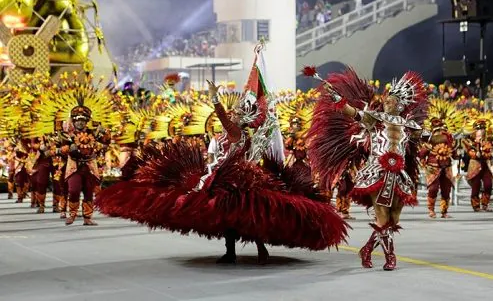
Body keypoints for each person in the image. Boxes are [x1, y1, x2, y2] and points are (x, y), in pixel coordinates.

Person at [97, 56, 348, 265]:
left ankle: (259, 248)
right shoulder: (230, 133)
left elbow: (228, 122)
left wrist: (215, 99)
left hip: (241, 180)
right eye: (234, 111)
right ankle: (232, 252)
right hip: (224, 176)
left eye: (238, 112)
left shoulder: (236, 131)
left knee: (250, 215)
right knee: (231, 219)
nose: (233, 113)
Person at [306, 67, 428, 271]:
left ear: (400, 104)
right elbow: (353, 114)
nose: (386, 101)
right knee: (382, 217)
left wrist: (448, 136)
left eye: (390, 100)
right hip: (376, 172)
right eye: (386, 99)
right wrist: (338, 98)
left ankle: (367, 249)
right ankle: (391, 257)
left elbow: (429, 137)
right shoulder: (375, 119)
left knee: (392, 219)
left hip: (399, 175)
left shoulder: (409, 126)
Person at [61, 106, 111, 225]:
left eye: (83, 120)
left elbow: (105, 143)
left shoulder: (93, 133)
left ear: (86, 122)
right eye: (77, 120)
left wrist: (106, 133)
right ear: (74, 121)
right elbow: (61, 148)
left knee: (88, 192)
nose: (80, 123)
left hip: (89, 166)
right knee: (74, 190)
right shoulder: (68, 135)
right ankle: (72, 214)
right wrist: (69, 148)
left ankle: (87, 217)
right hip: (74, 167)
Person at [419, 98, 462, 218]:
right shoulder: (429, 140)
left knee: (446, 190)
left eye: (442, 129)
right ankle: (431, 210)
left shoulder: (449, 139)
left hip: (446, 167)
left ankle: (444, 212)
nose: (441, 131)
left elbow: (453, 152)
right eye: (438, 129)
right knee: (433, 189)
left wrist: (457, 155)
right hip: (433, 167)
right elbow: (422, 153)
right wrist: (423, 160)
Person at [462, 112, 493, 212]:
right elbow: (468, 151)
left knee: (488, 184)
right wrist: (475, 154)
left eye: (483, 128)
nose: (481, 130)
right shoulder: (469, 141)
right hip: (475, 165)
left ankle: (485, 204)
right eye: (479, 129)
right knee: (476, 186)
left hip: (486, 165)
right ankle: (476, 206)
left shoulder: (489, 140)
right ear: (475, 131)